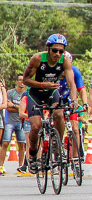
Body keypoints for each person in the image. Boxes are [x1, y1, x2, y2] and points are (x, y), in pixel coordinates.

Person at [23, 34, 78, 173]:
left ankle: (58, 149)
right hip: (35, 92)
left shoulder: (65, 61)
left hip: (52, 92)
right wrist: (42, 84)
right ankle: (33, 155)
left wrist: (74, 100)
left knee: (59, 114)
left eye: (61, 51)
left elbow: (71, 83)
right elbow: (25, 80)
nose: (57, 54)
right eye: (54, 50)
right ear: (48, 49)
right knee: (36, 126)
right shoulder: (38, 59)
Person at [58, 56, 90, 161]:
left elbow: (81, 89)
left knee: (75, 129)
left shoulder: (74, 71)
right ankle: (56, 152)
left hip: (68, 99)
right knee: (58, 123)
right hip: (55, 98)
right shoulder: (54, 70)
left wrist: (85, 103)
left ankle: (76, 157)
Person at [4, 74, 29, 172]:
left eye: (23, 80)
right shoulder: (10, 93)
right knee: (5, 143)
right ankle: (1, 165)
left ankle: (21, 166)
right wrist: (20, 109)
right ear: (17, 81)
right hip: (10, 121)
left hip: (21, 122)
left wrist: (14, 106)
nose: (21, 82)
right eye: (19, 80)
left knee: (22, 144)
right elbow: (7, 107)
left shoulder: (27, 94)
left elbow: (25, 110)